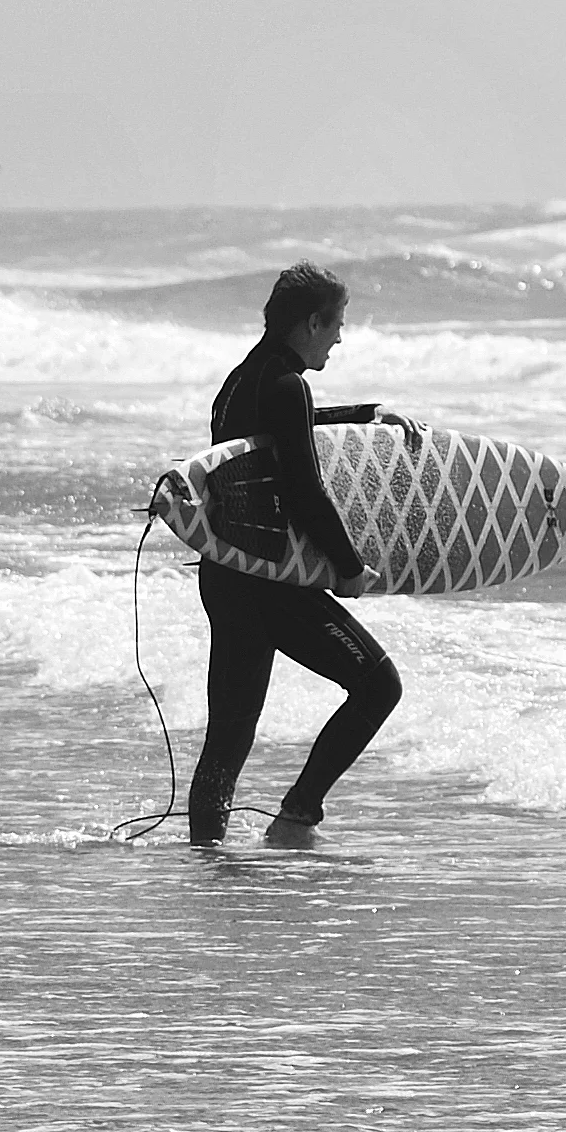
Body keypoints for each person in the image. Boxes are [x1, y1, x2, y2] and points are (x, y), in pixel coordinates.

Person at [191, 261, 415, 848]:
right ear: (312, 323)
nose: (339, 338)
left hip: (228, 573)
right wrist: (347, 567)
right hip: (271, 583)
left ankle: (205, 859)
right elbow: (304, 489)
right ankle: (296, 818)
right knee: (378, 686)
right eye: (336, 324)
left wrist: (364, 417)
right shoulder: (286, 385)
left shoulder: (242, 380)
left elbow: (289, 427)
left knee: (229, 734)